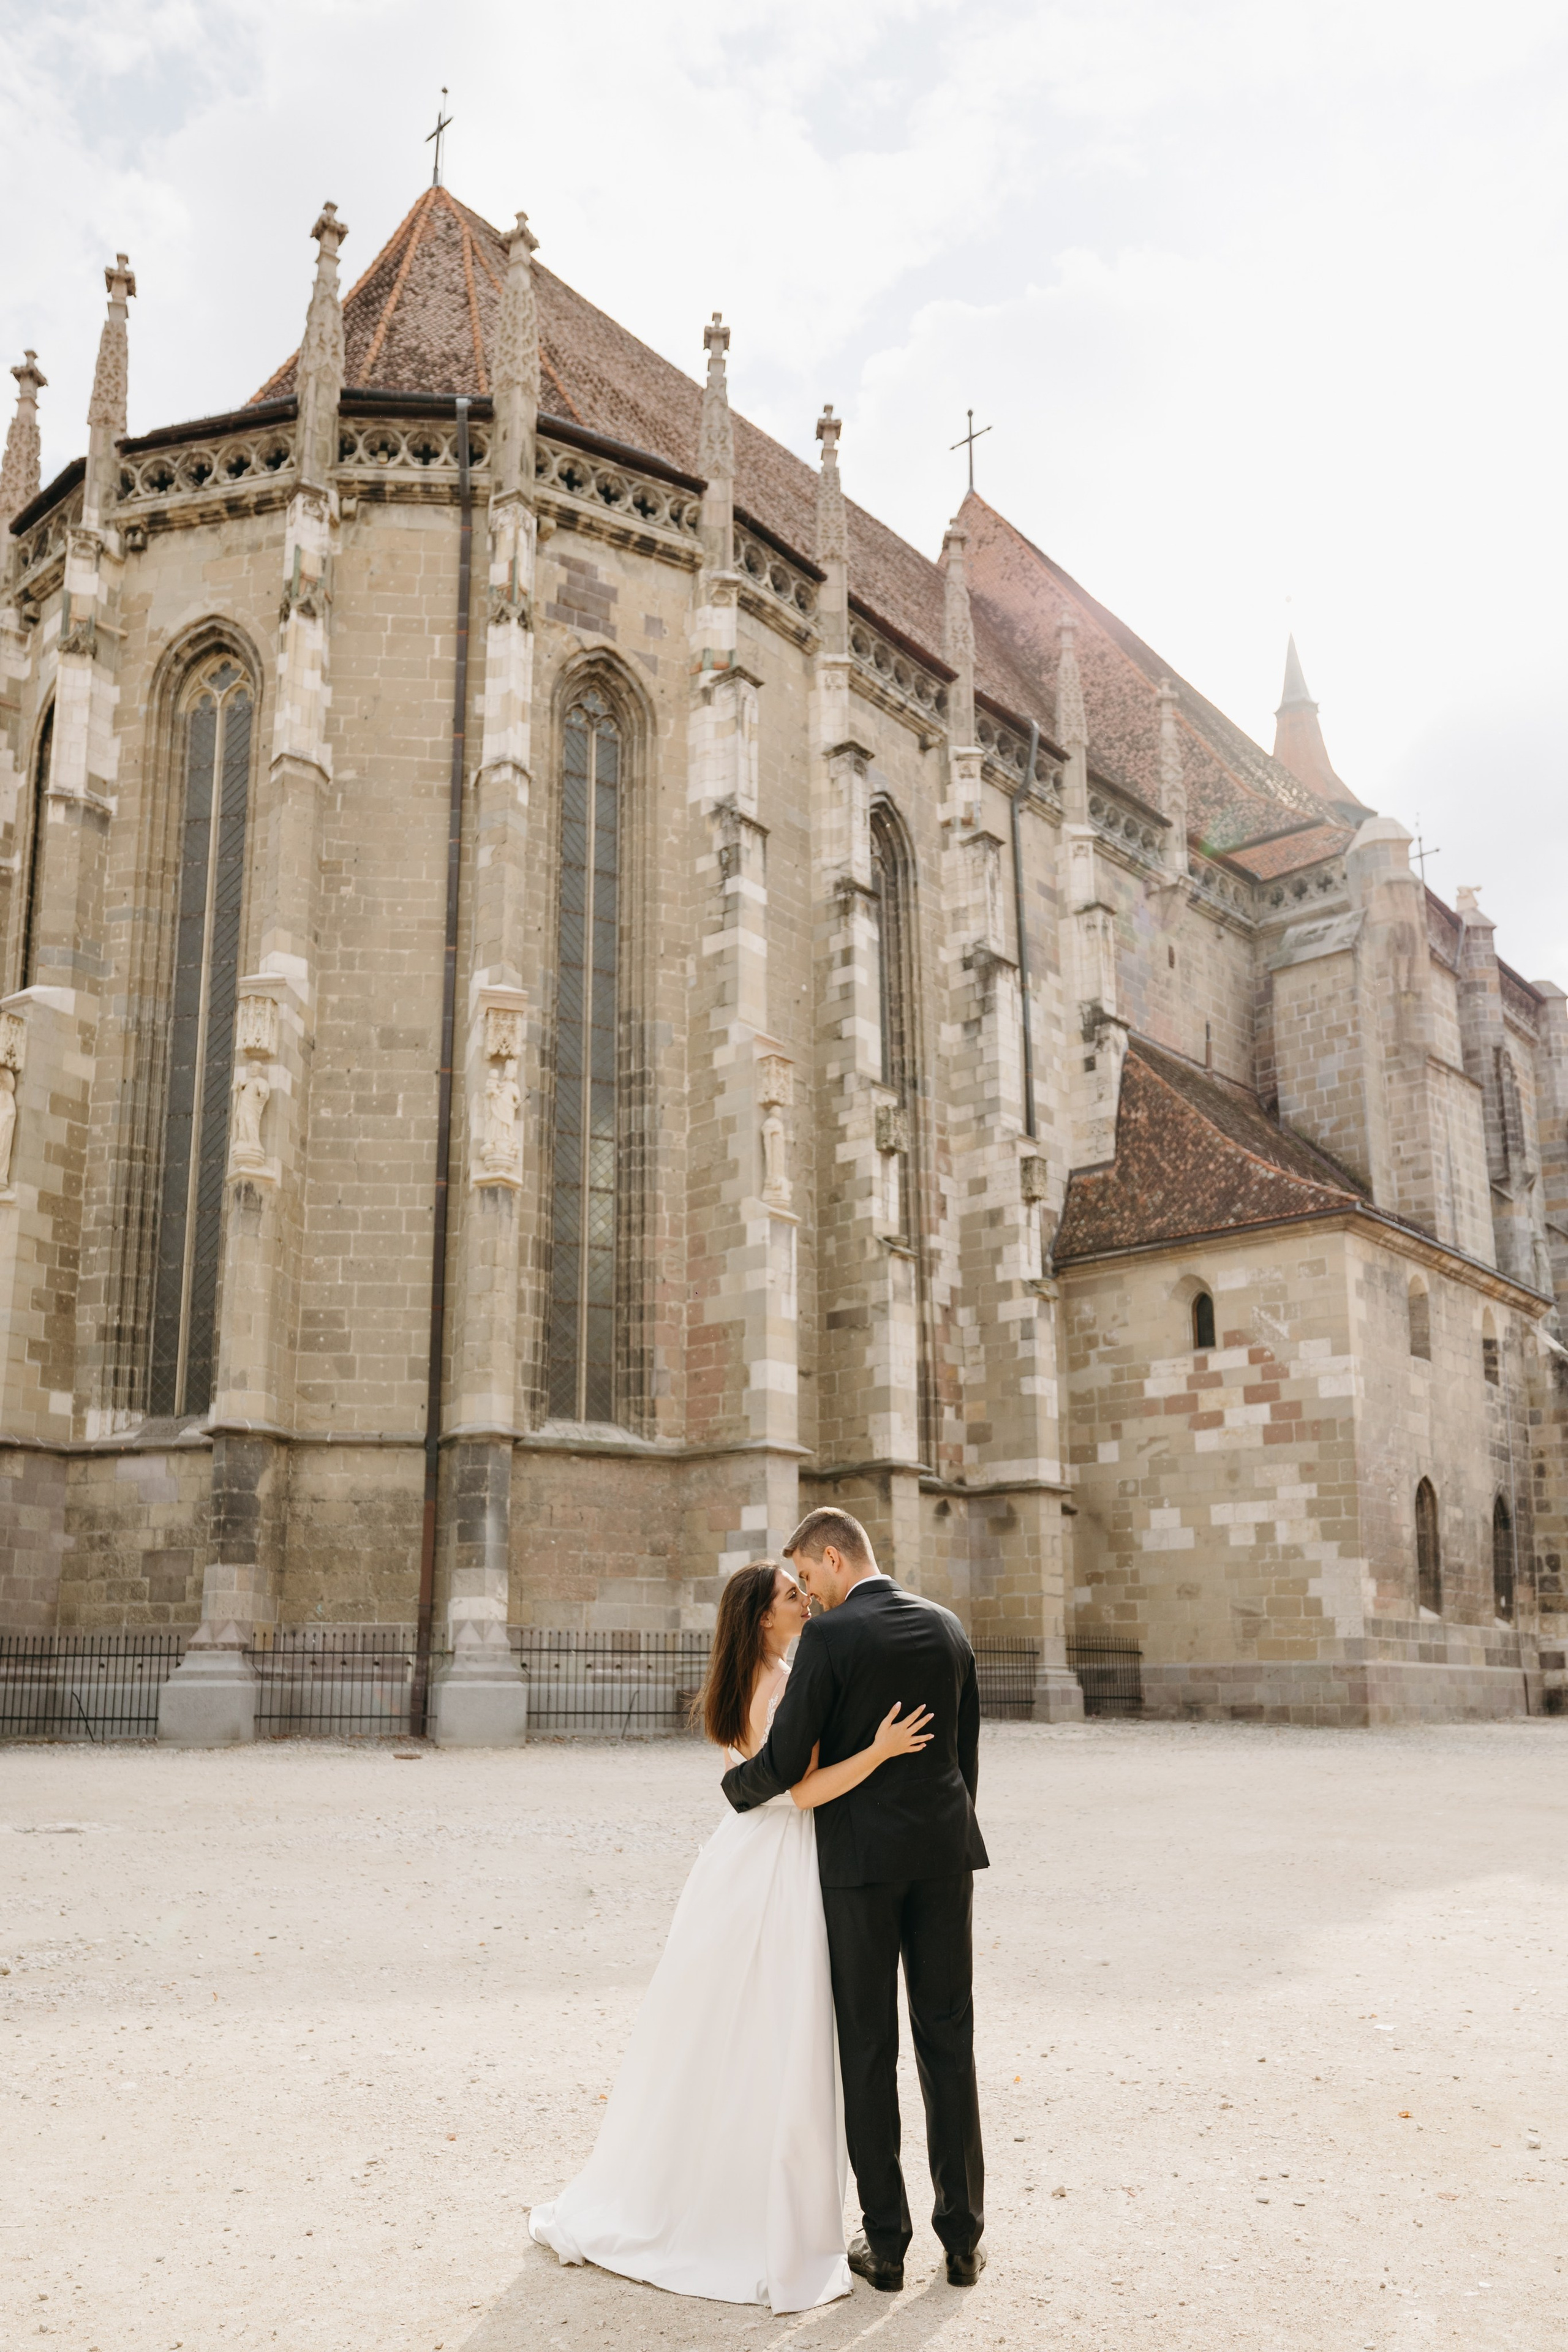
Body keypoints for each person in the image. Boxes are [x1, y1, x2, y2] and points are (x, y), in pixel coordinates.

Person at [527, 1557, 932, 2314]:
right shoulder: (780, 1682)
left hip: (738, 1858)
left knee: (725, 2030)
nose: (805, 1601)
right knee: (780, 2029)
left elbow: (752, 1785)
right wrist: (880, 1751)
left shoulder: (738, 1679)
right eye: (791, 1595)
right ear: (763, 1617)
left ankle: (706, 2188)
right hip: (783, 1861)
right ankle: (750, 2214)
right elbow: (799, 1791)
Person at [721, 1507, 988, 2293]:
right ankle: (963, 2240)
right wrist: (943, 1831)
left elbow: (782, 1759)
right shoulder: (947, 1626)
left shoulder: (832, 1638)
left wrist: (735, 1789)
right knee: (949, 2040)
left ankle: (889, 2245)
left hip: (860, 1866)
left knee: (869, 2049)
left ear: (833, 1557)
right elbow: (965, 1757)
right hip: (943, 1858)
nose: (808, 1592)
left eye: (807, 1575)